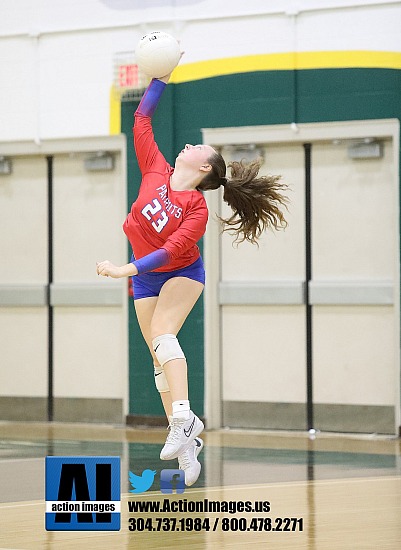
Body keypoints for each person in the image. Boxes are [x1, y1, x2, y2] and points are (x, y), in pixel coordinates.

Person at [96, 71, 288, 487]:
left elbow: (170, 252)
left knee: (164, 334)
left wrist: (125, 268)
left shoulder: (196, 208)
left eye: (198, 146)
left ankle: (183, 417)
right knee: (156, 359)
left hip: (182, 273)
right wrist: (159, 79)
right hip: (147, 278)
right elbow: (141, 121)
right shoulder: (154, 170)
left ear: (203, 166)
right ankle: (186, 443)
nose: (188, 144)